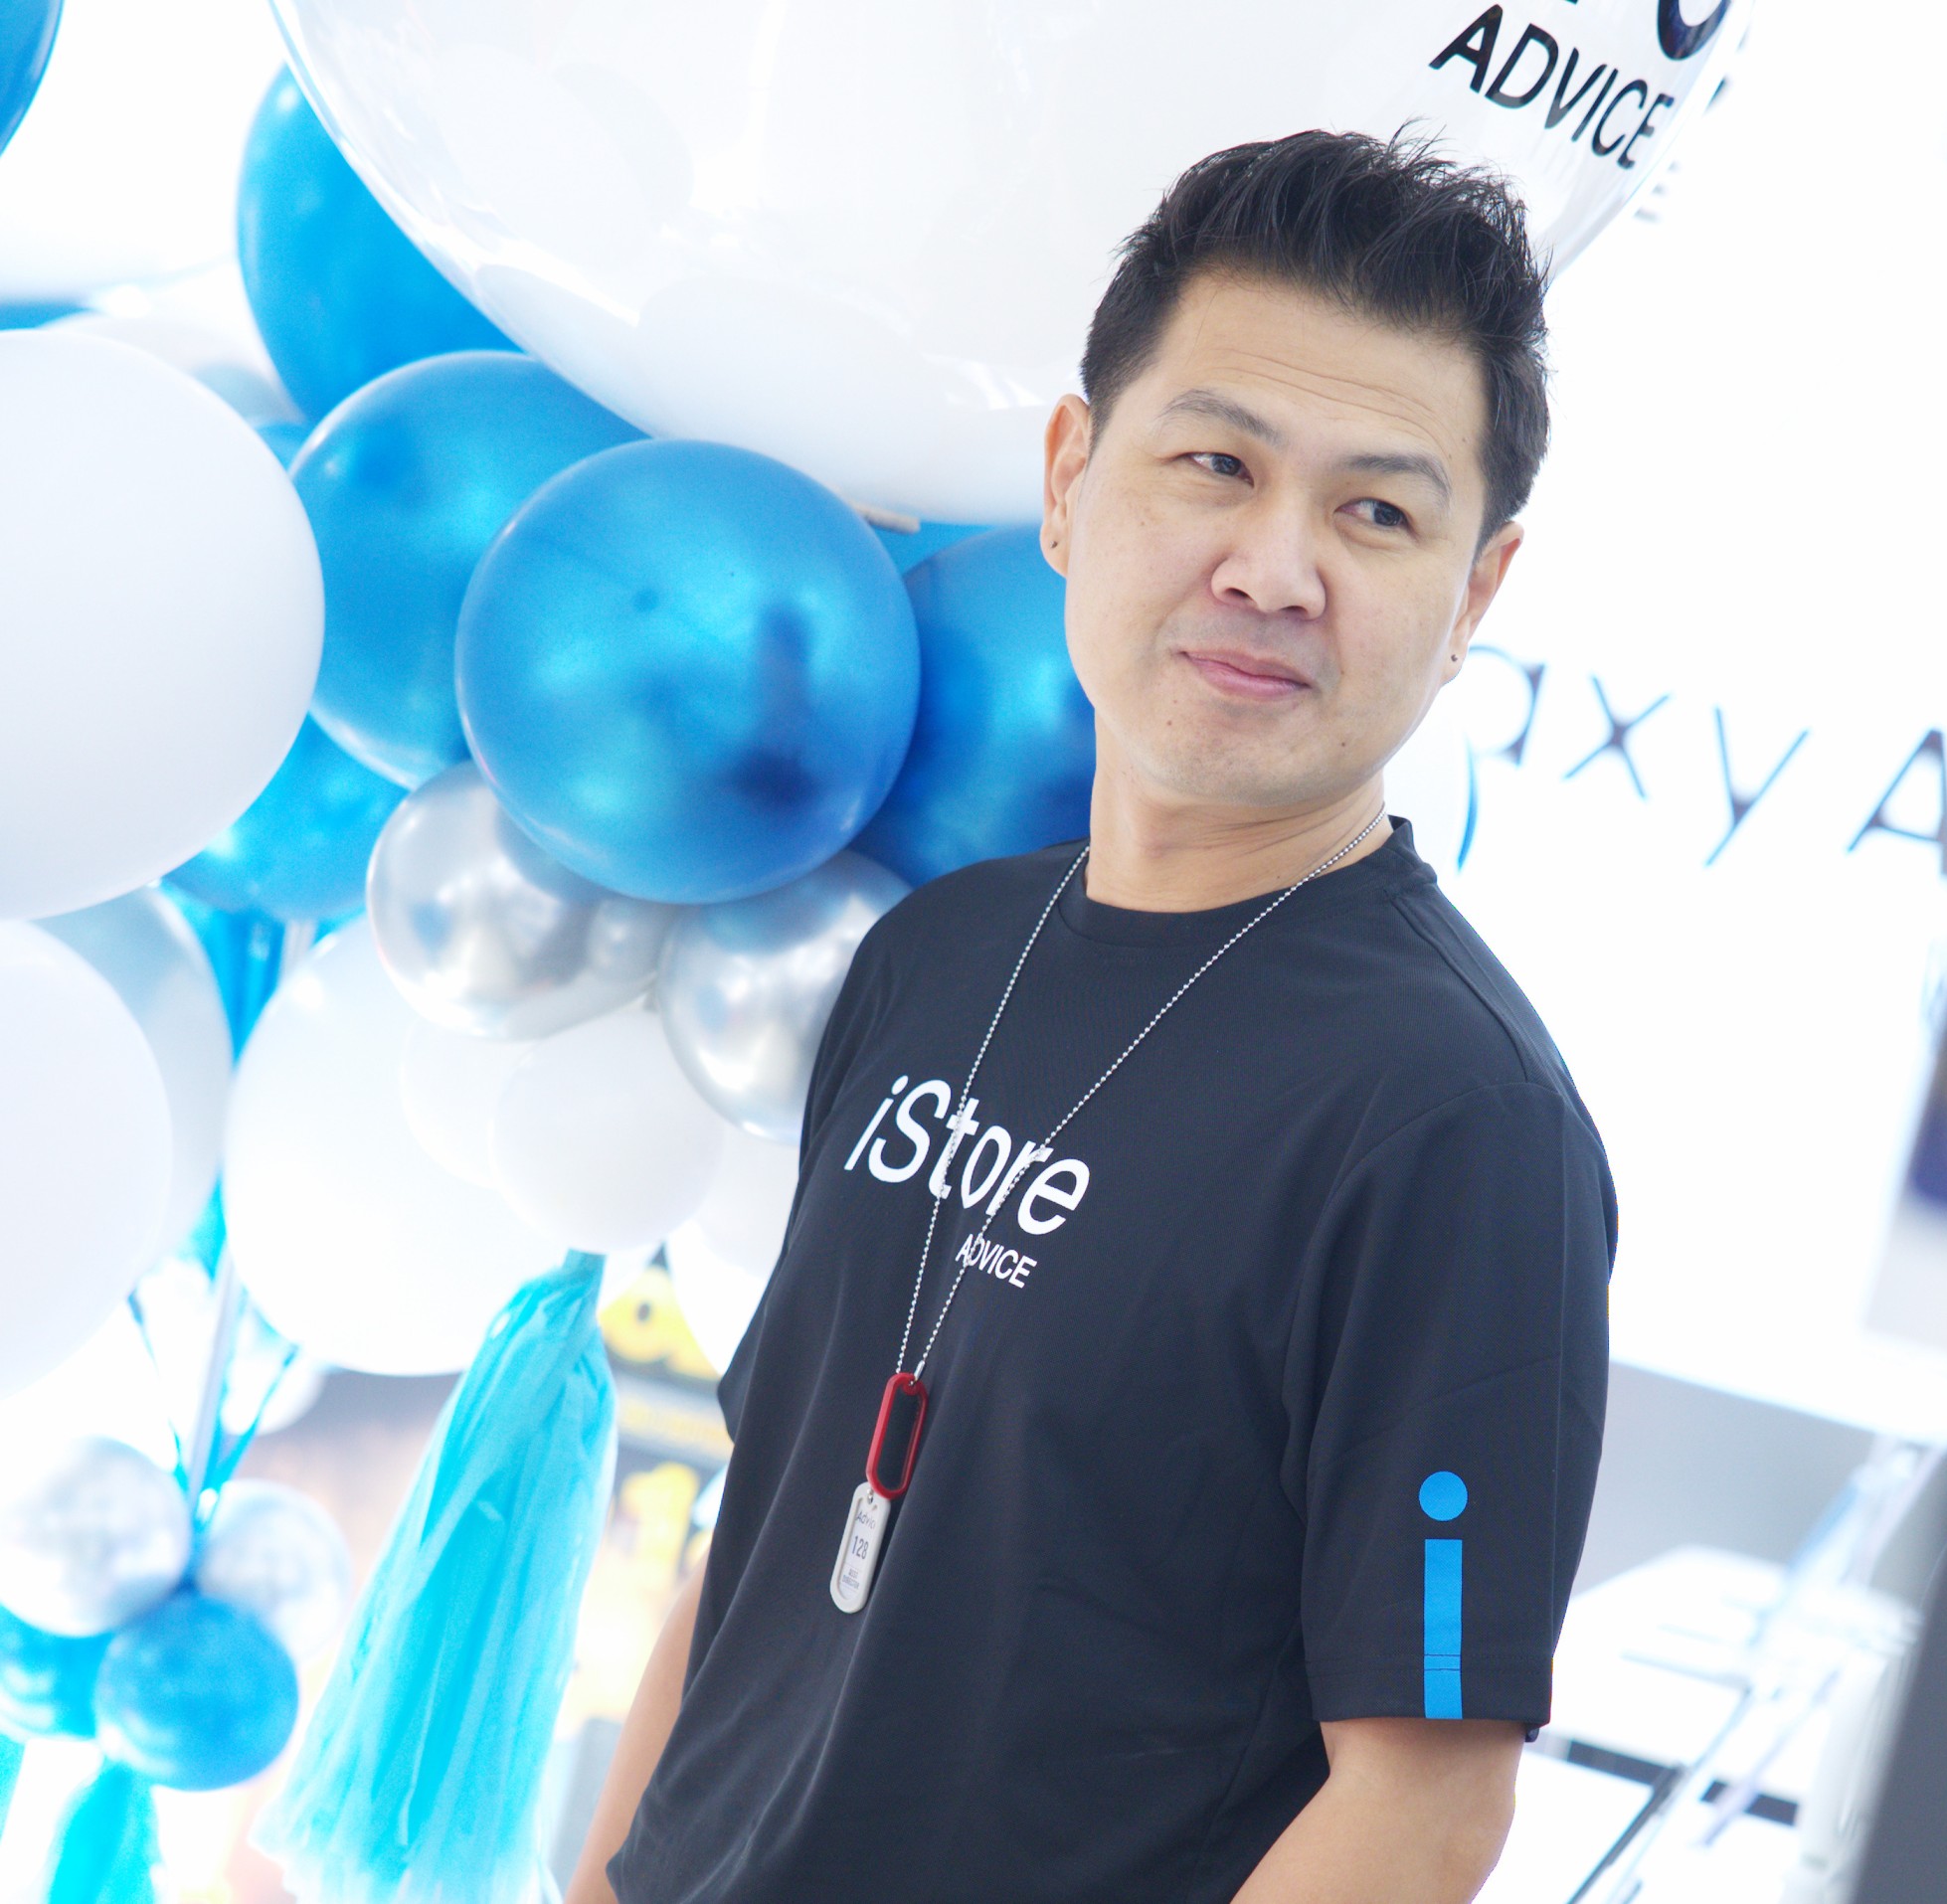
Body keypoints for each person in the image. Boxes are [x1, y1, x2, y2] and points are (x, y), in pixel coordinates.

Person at [569, 130, 1616, 1904]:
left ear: (1475, 596)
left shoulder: (1457, 1125)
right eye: (1215, 465)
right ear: (1067, 478)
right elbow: (767, 1536)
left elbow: (1427, 1803)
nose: (1273, 568)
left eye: (1374, 513)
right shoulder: (933, 955)